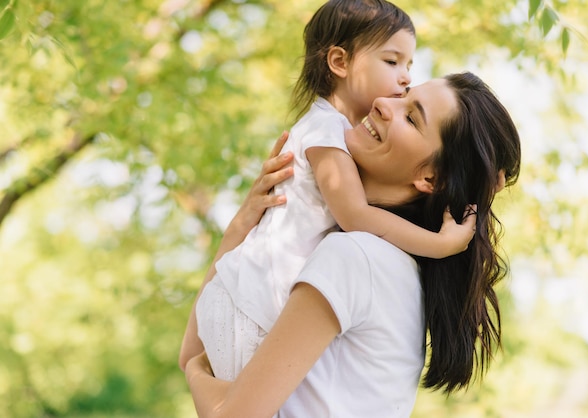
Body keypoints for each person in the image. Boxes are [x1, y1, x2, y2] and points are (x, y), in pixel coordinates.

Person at [183, 72, 522, 417]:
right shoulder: (387, 264)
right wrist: (244, 224)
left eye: (411, 117)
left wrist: (195, 375)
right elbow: (200, 345)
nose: (382, 103)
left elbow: (220, 396)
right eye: (401, 95)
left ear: (431, 179)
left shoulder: (355, 257)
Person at [180, 0, 476, 381]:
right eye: (392, 61)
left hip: (240, 300)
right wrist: (441, 244)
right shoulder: (324, 131)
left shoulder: (330, 132)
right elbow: (355, 216)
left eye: (409, 65)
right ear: (339, 62)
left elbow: (189, 359)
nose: (404, 78)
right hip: (249, 308)